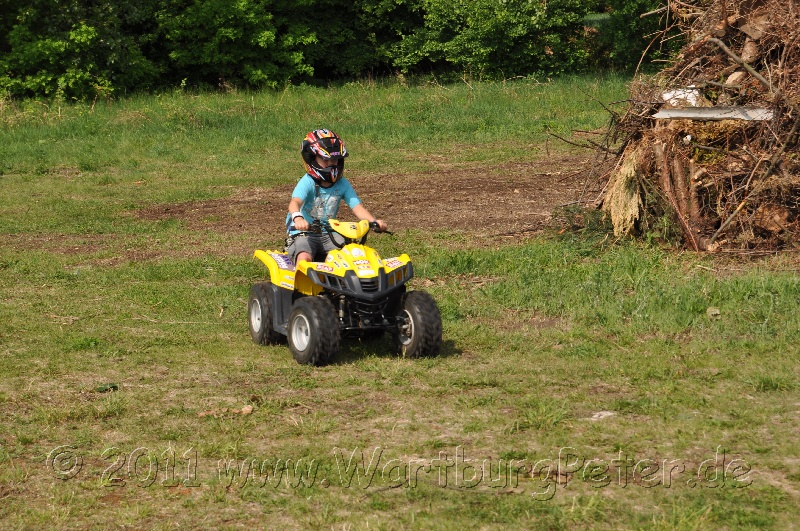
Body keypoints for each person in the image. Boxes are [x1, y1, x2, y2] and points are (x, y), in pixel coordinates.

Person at [286, 129, 387, 264]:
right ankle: (300, 284)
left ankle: (341, 283)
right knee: (304, 257)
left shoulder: (342, 184)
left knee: (348, 255)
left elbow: (357, 207)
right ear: (311, 158)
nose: (331, 164)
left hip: (330, 234)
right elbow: (295, 202)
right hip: (304, 234)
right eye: (325, 159)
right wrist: (298, 218)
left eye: (335, 160)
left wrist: (373, 222)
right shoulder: (308, 181)